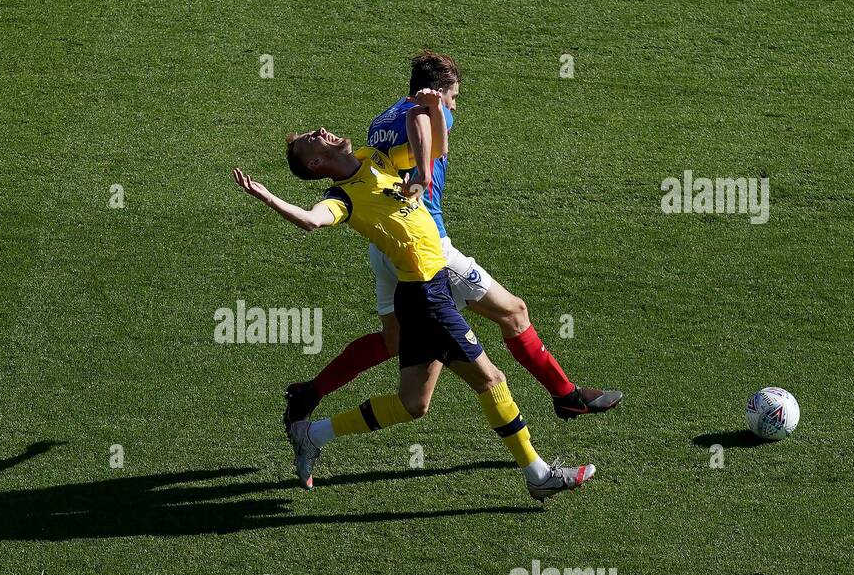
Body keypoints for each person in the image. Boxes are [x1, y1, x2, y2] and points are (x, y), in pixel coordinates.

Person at [232, 103, 596, 501]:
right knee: (491, 380)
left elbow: (435, 145)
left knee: (413, 404)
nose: (320, 129)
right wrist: (268, 197)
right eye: (311, 140)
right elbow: (311, 220)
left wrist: (433, 109)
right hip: (427, 298)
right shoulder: (342, 198)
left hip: (421, 293)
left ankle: (311, 434)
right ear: (318, 162)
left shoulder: (373, 158)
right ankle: (538, 474)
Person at [284, 51, 621, 428]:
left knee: (393, 342)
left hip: (383, 246)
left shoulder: (381, 120)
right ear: (439, 92)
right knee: (514, 312)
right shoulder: (433, 110)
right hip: (427, 248)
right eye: (454, 97)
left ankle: (309, 392)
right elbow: (426, 128)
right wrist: (427, 164)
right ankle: (567, 397)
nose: (454, 105)